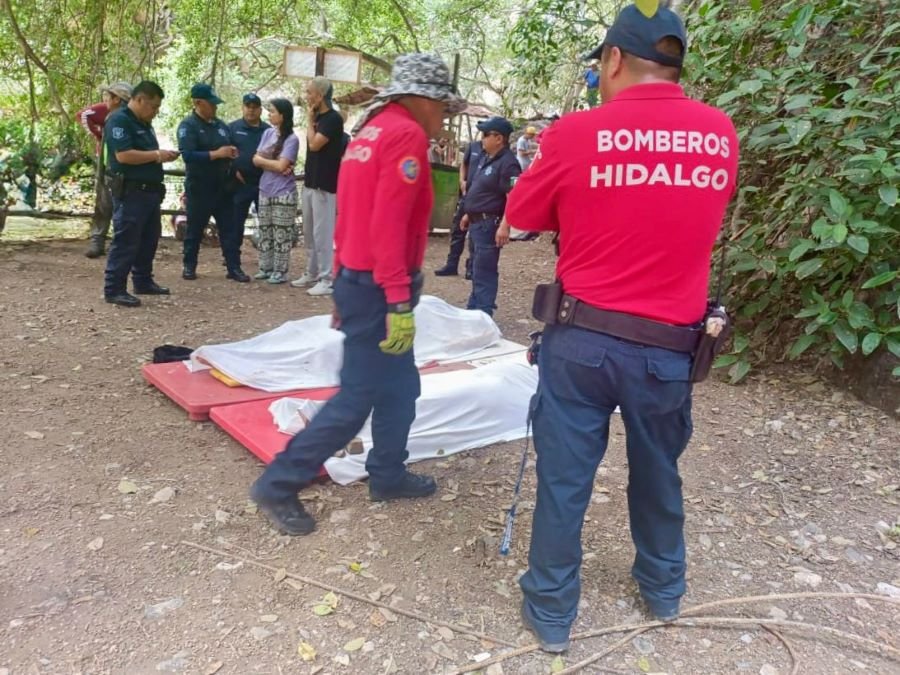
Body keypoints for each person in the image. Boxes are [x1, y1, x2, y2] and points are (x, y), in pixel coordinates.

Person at [504, 3, 739, 653]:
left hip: (580, 341)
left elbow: (523, 212)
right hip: (669, 349)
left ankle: (552, 612)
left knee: (565, 477)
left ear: (612, 59)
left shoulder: (577, 133)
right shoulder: (720, 133)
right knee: (659, 468)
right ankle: (663, 589)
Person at [249, 52, 467, 536]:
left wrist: (343, 281)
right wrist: (395, 301)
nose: (443, 119)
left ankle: (387, 473)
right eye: (442, 109)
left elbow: (352, 213)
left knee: (400, 386)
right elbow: (389, 226)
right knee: (355, 399)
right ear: (423, 100)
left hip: (361, 279)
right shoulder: (405, 136)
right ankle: (279, 482)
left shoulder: (370, 132)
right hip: (381, 285)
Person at [102, 81, 179, 307]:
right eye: (153, 106)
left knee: (149, 239)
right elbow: (124, 155)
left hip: (150, 191)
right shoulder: (119, 120)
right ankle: (114, 288)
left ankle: (143, 281)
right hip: (130, 191)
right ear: (139, 99)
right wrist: (157, 155)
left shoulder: (145, 124)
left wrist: (162, 155)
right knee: (126, 241)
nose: (155, 111)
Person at [177, 83, 249, 282]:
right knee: (195, 229)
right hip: (200, 187)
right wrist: (216, 154)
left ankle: (234, 267)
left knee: (229, 229)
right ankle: (189, 266)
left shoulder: (221, 126)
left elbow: (228, 149)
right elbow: (188, 155)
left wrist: (231, 155)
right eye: (211, 104)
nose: (215, 108)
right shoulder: (188, 126)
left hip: (223, 186)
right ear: (198, 103)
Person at [458, 116, 521, 316]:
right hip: (477, 222)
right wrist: (468, 213)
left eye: (485, 135)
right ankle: (473, 310)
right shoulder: (487, 159)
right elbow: (479, 189)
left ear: (499, 138)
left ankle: (483, 314)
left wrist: (505, 225)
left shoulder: (508, 164)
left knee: (484, 271)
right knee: (475, 270)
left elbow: (513, 196)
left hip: (489, 224)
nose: (482, 139)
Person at [289, 76, 344, 296]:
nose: (307, 95)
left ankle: (327, 278)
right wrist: (312, 121)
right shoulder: (318, 119)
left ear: (320, 95)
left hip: (325, 184)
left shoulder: (332, 120)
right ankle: (311, 272)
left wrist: (309, 123)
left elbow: (314, 144)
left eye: (310, 92)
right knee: (309, 231)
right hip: (311, 182)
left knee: (322, 233)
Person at [79, 81, 132, 258]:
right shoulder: (110, 116)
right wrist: (97, 135)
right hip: (106, 164)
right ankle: (98, 241)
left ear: (117, 99)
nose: (105, 99)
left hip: (120, 169)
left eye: (108, 96)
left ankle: (117, 244)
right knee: (103, 203)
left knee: (118, 207)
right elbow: (83, 115)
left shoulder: (126, 119)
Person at [251, 98, 300, 284]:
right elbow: (256, 159)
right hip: (265, 189)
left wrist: (268, 162)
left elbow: (281, 166)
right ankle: (265, 266)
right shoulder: (267, 133)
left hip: (283, 192)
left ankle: (280, 271)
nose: (269, 114)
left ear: (283, 115)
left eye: (272, 111)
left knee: (282, 233)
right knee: (265, 231)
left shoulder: (292, 139)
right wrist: (274, 163)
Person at [229, 93, 271, 259]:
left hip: (264, 184)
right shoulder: (232, 128)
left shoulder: (268, 130)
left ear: (260, 110)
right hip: (240, 183)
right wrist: (233, 170)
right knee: (235, 223)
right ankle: (232, 257)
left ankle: (267, 257)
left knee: (267, 222)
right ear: (243, 108)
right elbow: (225, 152)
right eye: (248, 107)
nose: (251, 111)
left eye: (255, 107)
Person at [433, 138, 482, 278]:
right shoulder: (474, 146)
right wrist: (462, 180)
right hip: (467, 194)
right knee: (457, 230)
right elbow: (464, 165)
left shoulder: (493, 150)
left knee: (474, 233)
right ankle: (451, 264)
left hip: (481, 197)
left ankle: (471, 267)